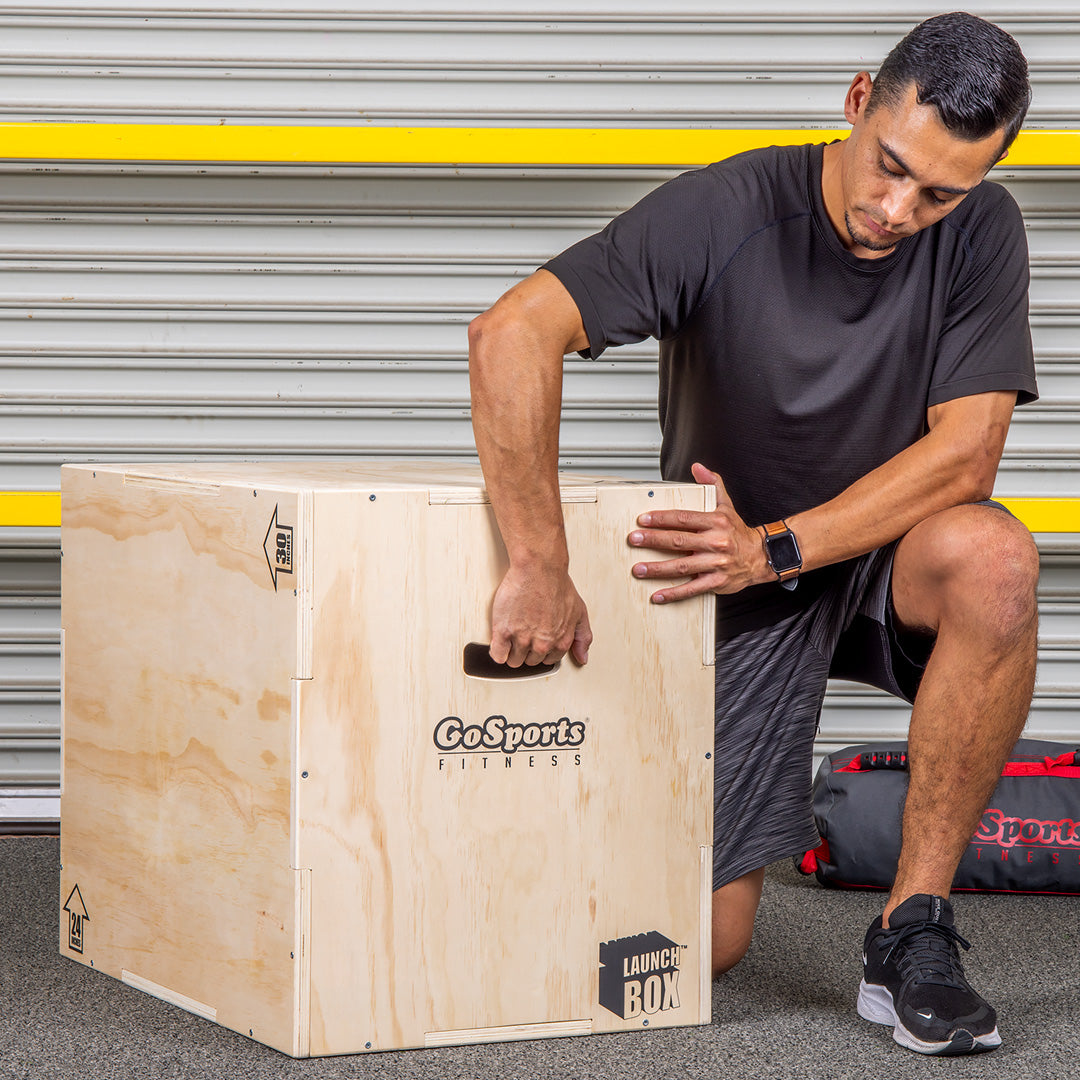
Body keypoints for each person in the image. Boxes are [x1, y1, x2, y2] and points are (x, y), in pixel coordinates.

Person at [467, 11, 1037, 1057]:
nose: (898, 209)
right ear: (859, 100)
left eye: (940, 193)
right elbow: (512, 332)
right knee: (707, 944)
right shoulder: (729, 207)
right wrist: (538, 562)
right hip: (728, 582)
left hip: (858, 556)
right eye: (891, 168)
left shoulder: (983, 232)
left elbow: (967, 457)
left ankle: (912, 929)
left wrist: (778, 543)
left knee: (994, 556)